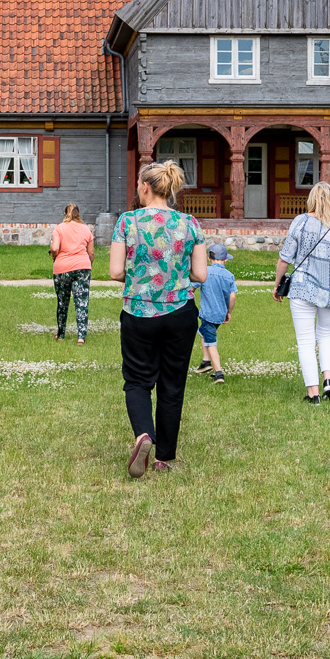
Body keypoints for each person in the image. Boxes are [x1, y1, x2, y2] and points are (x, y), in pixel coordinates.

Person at [109, 161, 209, 478]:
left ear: (145, 187)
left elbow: (114, 272)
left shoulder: (127, 223)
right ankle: (163, 456)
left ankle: (143, 435)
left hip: (139, 311)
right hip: (180, 312)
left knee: (138, 380)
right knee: (172, 384)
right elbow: (201, 274)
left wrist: (140, 274)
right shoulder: (190, 224)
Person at [274, 180, 330, 404]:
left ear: (312, 199)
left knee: (305, 340)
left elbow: (285, 258)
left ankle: (314, 394)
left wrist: (277, 283)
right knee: (326, 335)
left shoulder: (300, 222)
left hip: (303, 288)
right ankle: (328, 379)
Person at [48, 202, 95, 342]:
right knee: (82, 302)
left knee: (62, 301)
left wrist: (53, 255)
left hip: (62, 268)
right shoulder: (86, 229)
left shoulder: (59, 228)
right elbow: (91, 252)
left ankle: (61, 335)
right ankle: (81, 337)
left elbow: (55, 248)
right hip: (82, 267)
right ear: (78, 214)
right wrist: (87, 264)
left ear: (64, 214)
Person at [194, 243, 237, 384]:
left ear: (208, 258)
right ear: (226, 260)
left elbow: (192, 288)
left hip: (208, 315)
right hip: (220, 315)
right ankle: (205, 362)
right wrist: (228, 312)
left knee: (211, 342)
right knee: (202, 333)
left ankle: (219, 373)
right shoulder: (229, 275)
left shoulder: (204, 272)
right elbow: (233, 297)